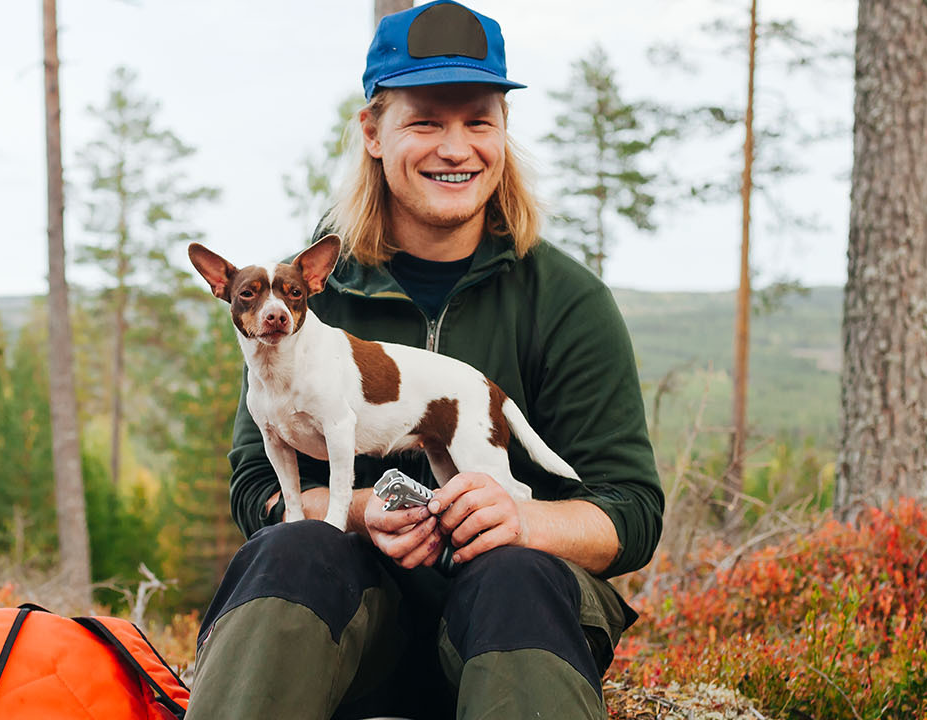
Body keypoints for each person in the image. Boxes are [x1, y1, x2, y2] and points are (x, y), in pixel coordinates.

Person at [188, 2, 662, 718]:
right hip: (350, 621)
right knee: (293, 549)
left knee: (517, 577)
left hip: (510, 620)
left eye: (477, 120)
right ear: (372, 132)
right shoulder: (301, 293)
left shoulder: (565, 300)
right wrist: (352, 511)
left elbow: (630, 509)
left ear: (503, 132)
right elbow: (257, 483)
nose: (455, 147)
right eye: (425, 121)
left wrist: (523, 523)